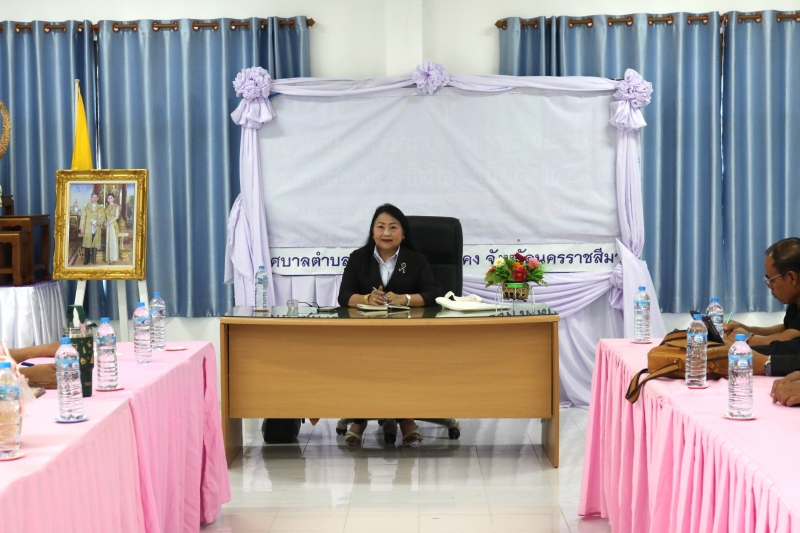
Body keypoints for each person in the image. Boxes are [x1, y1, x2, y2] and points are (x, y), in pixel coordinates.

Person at [336, 203, 440, 446]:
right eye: (380, 226)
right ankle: (360, 419)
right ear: (372, 231)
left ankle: (405, 419)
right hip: (366, 334)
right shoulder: (358, 258)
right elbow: (344, 296)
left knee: (401, 360)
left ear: (403, 233)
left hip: (407, 334)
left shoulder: (416, 260)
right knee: (364, 360)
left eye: (393, 227)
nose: (386, 233)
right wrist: (366, 299)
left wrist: (405, 299)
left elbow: (432, 294)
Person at [723, 238, 800, 377]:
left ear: (792, 278)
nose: (769, 286)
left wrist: (747, 339)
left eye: (771, 280)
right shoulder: (795, 303)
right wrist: (746, 329)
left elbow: (790, 340)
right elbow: (786, 328)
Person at [78, 191, 106, 265]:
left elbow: (103, 217)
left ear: (98, 198)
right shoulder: (86, 207)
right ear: (91, 198)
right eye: (93, 197)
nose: (94, 199)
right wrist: (82, 228)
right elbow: (83, 218)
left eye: (95, 197)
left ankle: (93, 260)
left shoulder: (100, 207)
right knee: (87, 244)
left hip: (96, 228)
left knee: (95, 244)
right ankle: (86, 260)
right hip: (88, 228)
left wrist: (98, 222)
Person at [104, 193, 120, 264]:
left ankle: (113, 258)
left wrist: (109, 222)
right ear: (107, 199)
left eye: (111, 198)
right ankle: (108, 257)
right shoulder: (106, 207)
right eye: (108, 198)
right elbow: (105, 216)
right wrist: (105, 222)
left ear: (113, 199)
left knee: (113, 241)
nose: (110, 199)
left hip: (113, 224)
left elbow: (117, 216)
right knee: (108, 241)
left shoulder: (116, 206)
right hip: (107, 224)